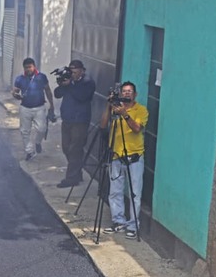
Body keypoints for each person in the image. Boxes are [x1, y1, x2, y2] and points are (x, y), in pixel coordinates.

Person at [100, 81, 149, 239]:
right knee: (115, 192)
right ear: (120, 94)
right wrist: (109, 107)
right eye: (124, 91)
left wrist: (125, 115)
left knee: (135, 193)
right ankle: (118, 221)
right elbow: (102, 125)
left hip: (134, 157)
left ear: (135, 94)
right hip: (116, 156)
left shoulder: (141, 110)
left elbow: (136, 129)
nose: (127, 93)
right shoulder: (115, 108)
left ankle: (133, 225)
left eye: (130, 91)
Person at [53, 59, 96, 187]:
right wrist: (62, 84)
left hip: (80, 121)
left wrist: (70, 84)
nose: (73, 74)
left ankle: (71, 178)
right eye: (71, 71)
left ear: (82, 71)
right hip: (67, 119)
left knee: (75, 149)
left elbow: (82, 97)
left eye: (75, 72)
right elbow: (57, 94)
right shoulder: (69, 82)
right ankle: (77, 172)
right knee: (66, 147)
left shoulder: (87, 82)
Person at [12, 57, 54, 161]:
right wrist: (16, 95)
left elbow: (48, 90)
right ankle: (29, 151)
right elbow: (15, 91)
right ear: (24, 68)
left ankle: (38, 142)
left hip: (39, 107)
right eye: (26, 68)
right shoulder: (19, 79)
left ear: (34, 66)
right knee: (24, 131)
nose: (28, 69)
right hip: (25, 108)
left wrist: (51, 105)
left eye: (30, 67)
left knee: (41, 129)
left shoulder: (41, 77)